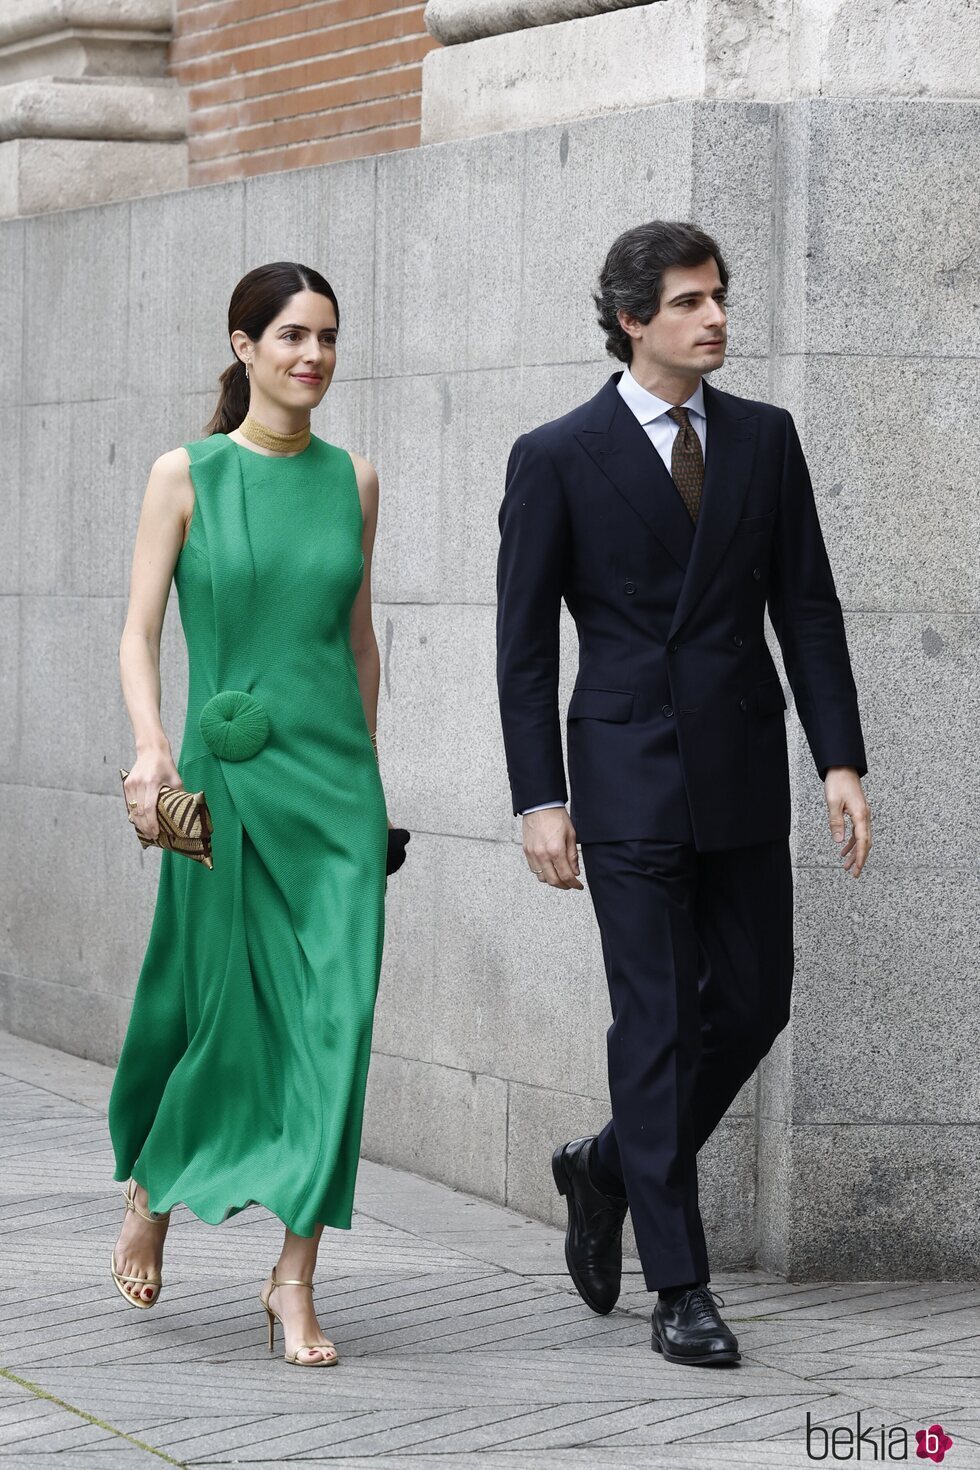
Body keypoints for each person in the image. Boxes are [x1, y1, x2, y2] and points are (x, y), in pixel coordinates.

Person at [495, 220, 872, 1368]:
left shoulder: (763, 438)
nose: (714, 319)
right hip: (623, 780)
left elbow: (803, 606)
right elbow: (520, 648)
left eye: (719, 297)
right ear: (630, 319)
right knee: (654, 1025)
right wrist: (537, 798)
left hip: (743, 767)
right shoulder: (557, 453)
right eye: (689, 302)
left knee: (753, 1002)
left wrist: (838, 760)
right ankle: (681, 1288)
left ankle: (606, 1165)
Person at [109, 261, 389, 1368]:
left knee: (338, 1025)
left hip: (335, 797)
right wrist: (150, 749)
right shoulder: (186, 473)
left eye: (325, 336)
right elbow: (137, 631)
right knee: (219, 1014)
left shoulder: (356, 479)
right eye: (288, 336)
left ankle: (293, 1279)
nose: (311, 356)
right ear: (242, 346)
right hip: (223, 789)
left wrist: (368, 779)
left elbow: (358, 640)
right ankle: (155, 1185)